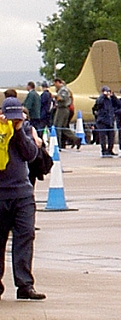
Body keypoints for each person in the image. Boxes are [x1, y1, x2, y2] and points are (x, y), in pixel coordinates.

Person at [0, 96, 45, 300]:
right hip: (1, 194)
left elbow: (31, 154)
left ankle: (25, 284)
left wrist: (19, 131)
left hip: (22, 193)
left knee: (25, 236)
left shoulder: (25, 129)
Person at [52, 78, 80, 149]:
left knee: (57, 126)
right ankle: (75, 139)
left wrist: (55, 96)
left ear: (58, 82)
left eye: (55, 83)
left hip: (62, 109)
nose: (55, 85)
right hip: (63, 109)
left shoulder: (63, 90)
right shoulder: (62, 90)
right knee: (63, 128)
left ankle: (57, 144)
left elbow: (62, 98)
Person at [91, 85, 118, 156]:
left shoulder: (111, 100)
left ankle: (110, 150)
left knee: (111, 136)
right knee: (103, 136)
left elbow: (117, 104)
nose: (108, 93)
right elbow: (98, 103)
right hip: (102, 120)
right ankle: (104, 150)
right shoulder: (101, 99)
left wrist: (113, 96)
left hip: (110, 120)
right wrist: (103, 96)